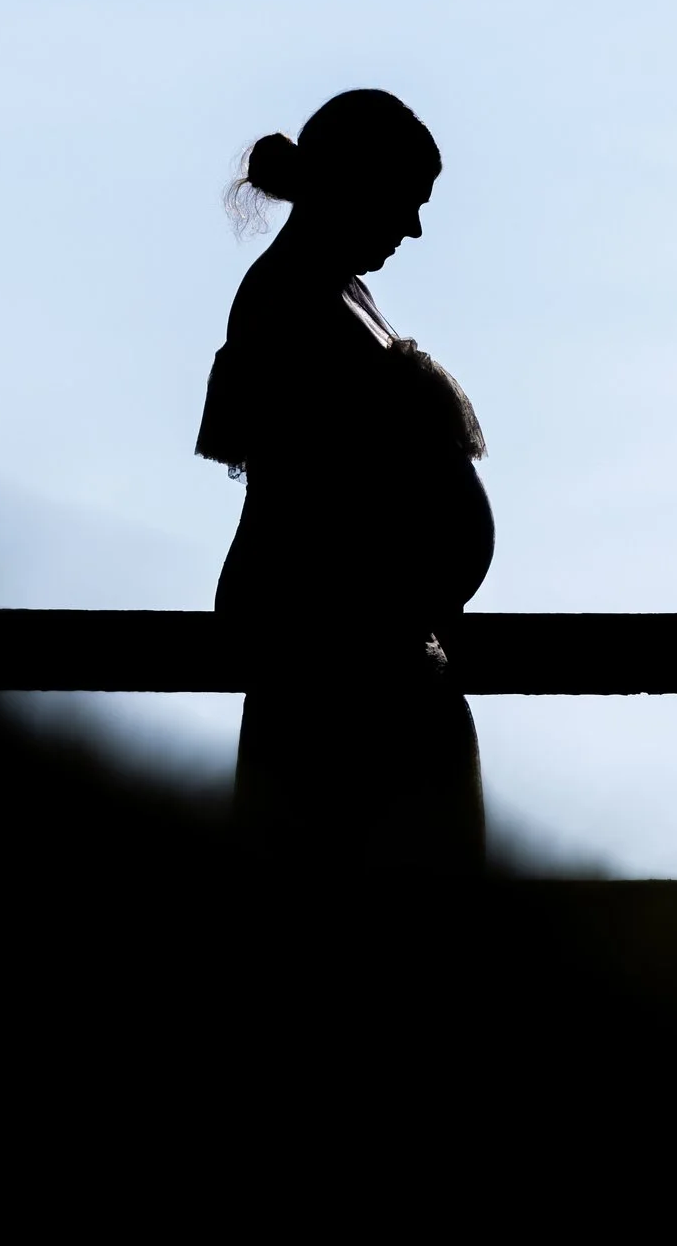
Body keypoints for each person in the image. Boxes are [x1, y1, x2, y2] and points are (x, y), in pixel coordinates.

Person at [195, 89, 493, 872]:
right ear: (360, 183)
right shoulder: (285, 299)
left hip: (389, 666)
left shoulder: (342, 293)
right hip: (337, 681)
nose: (414, 227)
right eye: (406, 201)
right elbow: (300, 488)